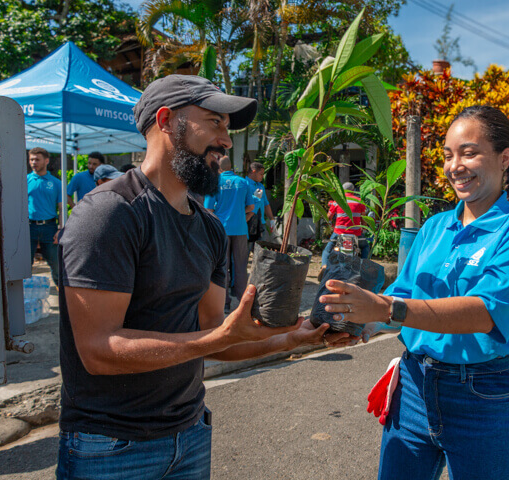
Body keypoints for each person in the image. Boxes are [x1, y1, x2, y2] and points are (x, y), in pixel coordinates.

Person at [56, 74, 351, 480]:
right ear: (164, 121)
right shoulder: (110, 214)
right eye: (214, 122)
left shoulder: (209, 228)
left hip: (190, 434)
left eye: (226, 128)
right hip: (111, 447)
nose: (226, 142)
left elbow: (214, 335)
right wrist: (218, 337)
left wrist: (294, 339)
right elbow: (97, 350)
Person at [319, 105, 509, 480]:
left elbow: (484, 312)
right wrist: (354, 323)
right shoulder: (435, 227)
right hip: (414, 388)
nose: (455, 165)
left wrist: (387, 309)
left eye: (469, 153)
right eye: (448, 155)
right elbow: (402, 293)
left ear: (504, 158)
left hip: (485, 395)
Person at [204, 156, 255, 312]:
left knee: (222, 267)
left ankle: (224, 303)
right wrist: (240, 214)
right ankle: (242, 302)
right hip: (240, 229)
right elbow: (251, 207)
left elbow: (209, 210)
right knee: (240, 266)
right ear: (231, 167)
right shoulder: (243, 182)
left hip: (221, 230)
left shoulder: (214, 183)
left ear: (218, 168)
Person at [27, 147, 63, 286]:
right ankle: (24, 297)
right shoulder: (25, 180)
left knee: (56, 264)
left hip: (50, 227)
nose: (33, 162)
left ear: (46, 161)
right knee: (24, 265)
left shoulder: (55, 182)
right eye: (31, 159)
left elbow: (61, 208)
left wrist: (61, 229)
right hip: (29, 227)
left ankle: (63, 297)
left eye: (37, 159)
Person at [320, 182, 369, 270]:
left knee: (328, 249)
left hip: (339, 233)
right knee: (365, 247)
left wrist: (330, 223)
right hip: (356, 233)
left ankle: (324, 266)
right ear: (353, 190)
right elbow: (363, 218)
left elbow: (328, 217)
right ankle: (364, 267)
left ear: (342, 191)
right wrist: (364, 228)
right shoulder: (359, 201)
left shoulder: (337, 201)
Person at [245, 161, 276, 241]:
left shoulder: (260, 186)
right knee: (247, 248)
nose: (262, 176)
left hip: (260, 222)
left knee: (259, 248)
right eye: (261, 174)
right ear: (253, 171)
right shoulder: (244, 184)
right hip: (247, 220)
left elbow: (266, 204)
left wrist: (272, 219)